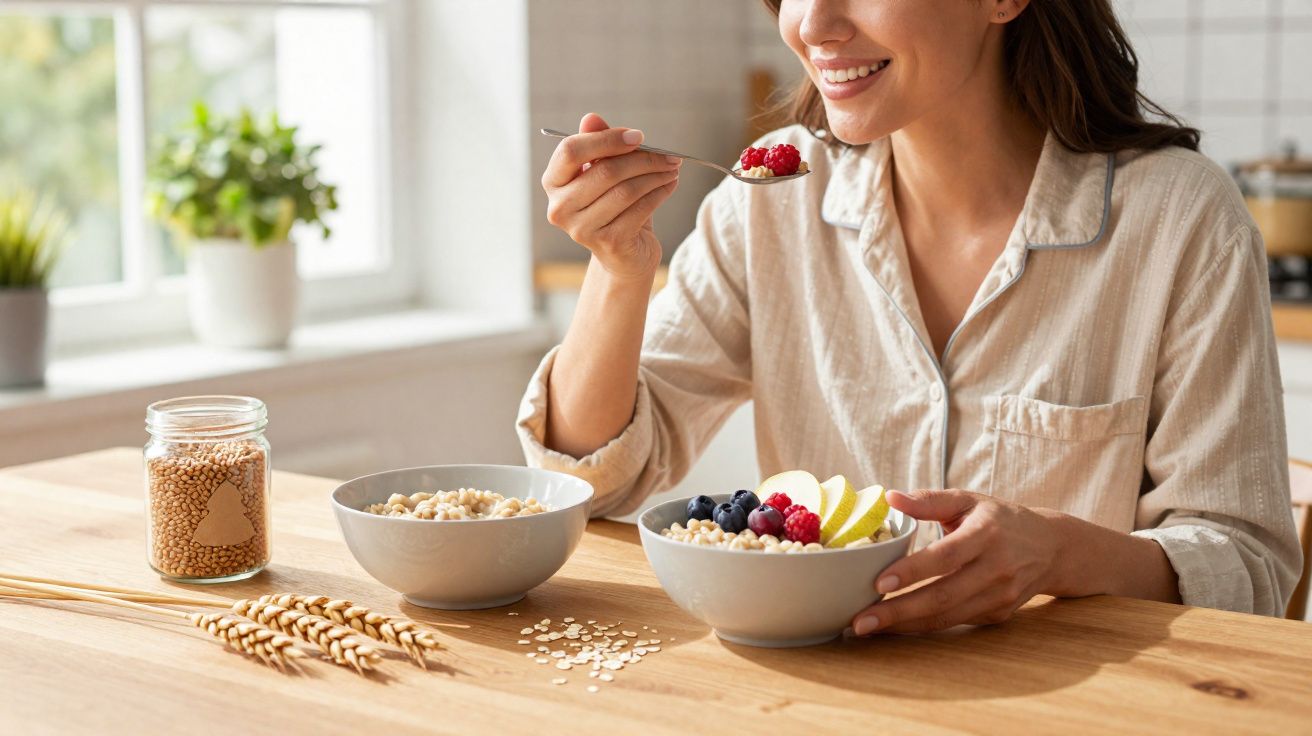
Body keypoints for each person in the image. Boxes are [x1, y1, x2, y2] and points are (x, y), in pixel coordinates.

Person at [517, 0, 1302, 631]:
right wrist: (620, 270)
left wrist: (1059, 553)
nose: (812, 24)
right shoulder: (770, 202)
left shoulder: (1179, 219)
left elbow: (1249, 569)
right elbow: (598, 482)